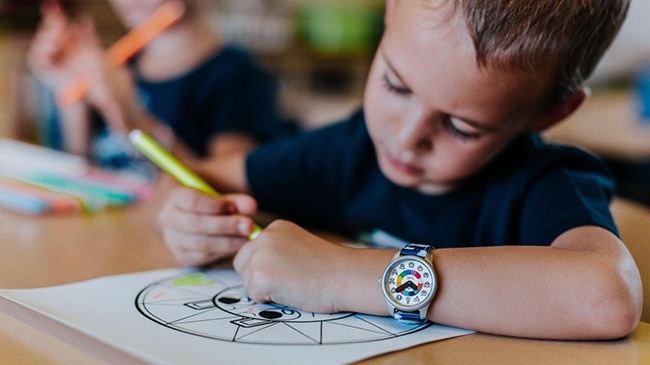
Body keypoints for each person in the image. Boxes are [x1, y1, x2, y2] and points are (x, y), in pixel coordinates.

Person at [157, 0, 642, 340]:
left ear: (549, 113)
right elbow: (206, 177)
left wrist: (339, 274)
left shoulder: (546, 183)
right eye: (395, 85)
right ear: (391, 14)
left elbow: (608, 296)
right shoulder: (350, 151)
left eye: (461, 126)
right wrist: (194, 219)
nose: (406, 137)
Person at [26, 0, 285, 179]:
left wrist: (134, 119)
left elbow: (228, 192)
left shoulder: (238, 76)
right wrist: (72, 91)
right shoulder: (119, 67)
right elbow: (83, 166)